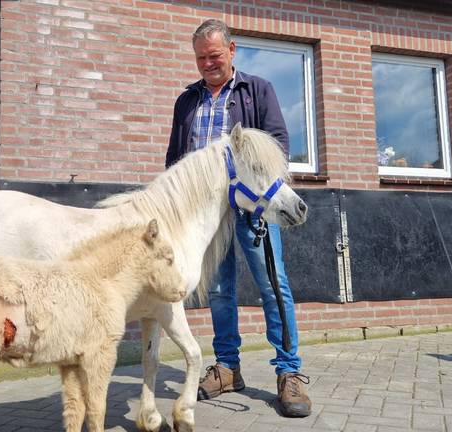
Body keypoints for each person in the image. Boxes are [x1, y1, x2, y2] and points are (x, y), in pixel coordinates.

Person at [165, 19, 311, 418]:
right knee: (218, 293)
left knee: (273, 287)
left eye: (214, 55)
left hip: (252, 209)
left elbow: (277, 145)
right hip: (208, 216)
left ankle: (289, 372)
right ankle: (227, 367)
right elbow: (176, 161)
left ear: (231, 50)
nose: (208, 64)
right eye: (200, 58)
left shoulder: (257, 90)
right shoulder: (187, 101)